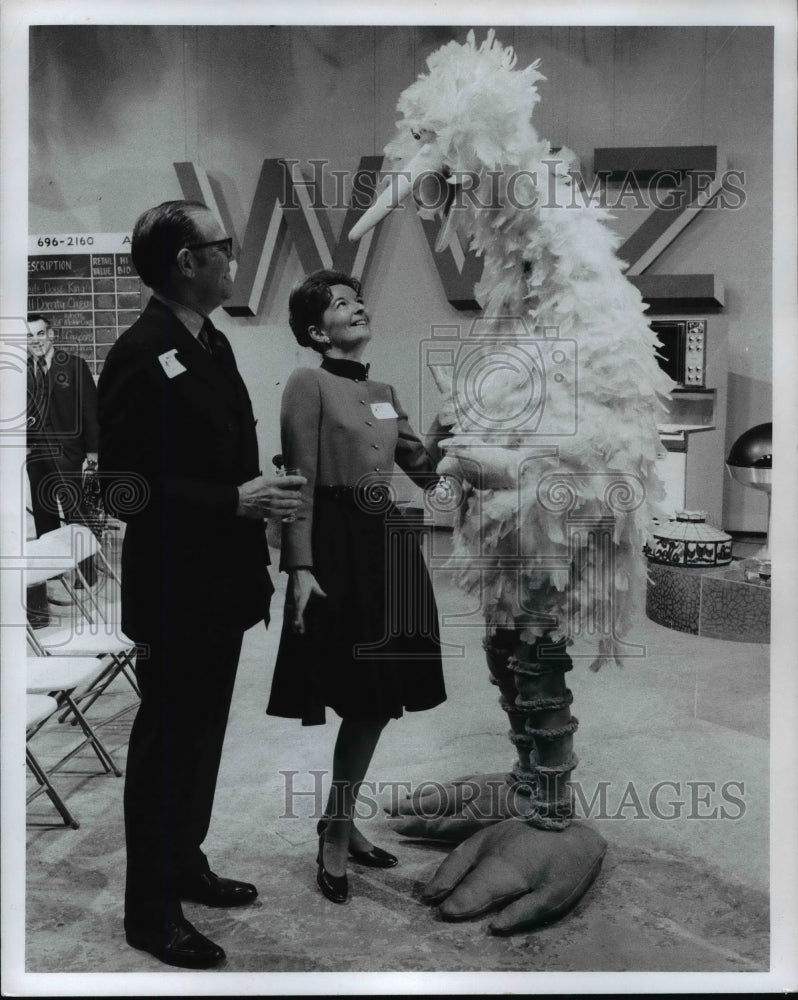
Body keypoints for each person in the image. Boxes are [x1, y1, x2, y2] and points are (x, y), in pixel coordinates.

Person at [98, 200, 304, 969]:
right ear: (187, 261)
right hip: (174, 590)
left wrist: (254, 497)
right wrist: (231, 501)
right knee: (166, 747)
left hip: (220, 584)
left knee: (202, 740)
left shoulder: (207, 341)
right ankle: (149, 911)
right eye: (224, 248)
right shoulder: (140, 349)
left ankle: (185, 862)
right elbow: (121, 489)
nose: (234, 259)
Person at [266, 269, 446, 905]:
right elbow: (299, 485)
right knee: (362, 698)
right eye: (341, 304)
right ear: (317, 331)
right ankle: (336, 833)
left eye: (358, 299)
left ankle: (338, 823)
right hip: (337, 549)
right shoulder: (306, 383)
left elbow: (428, 478)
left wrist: (459, 444)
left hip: (387, 545)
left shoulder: (385, 389)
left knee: (378, 699)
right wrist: (300, 568)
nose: (358, 306)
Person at [26, 313, 99, 588]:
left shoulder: (74, 366)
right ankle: (52, 573)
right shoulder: (22, 370)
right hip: (37, 457)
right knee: (44, 515)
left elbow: (91, 413)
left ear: (51, 334)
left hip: (70, 455)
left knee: (77, 514)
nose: (35, 341)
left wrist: (92, 457)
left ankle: (87, 575)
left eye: (40, 334)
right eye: (29, 336)